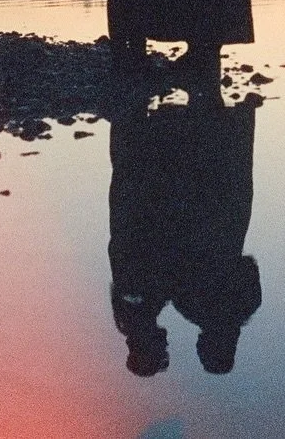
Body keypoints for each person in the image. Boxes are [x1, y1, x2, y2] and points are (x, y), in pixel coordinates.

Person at [107, 83, 262, 376]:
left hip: (221, 218)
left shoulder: (241, 304)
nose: (167, 344)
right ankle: (176, 106)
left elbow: (248, 267)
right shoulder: (179, 305)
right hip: (163, 220)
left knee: (219, 174)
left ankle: (207, 105)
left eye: (161, 350)